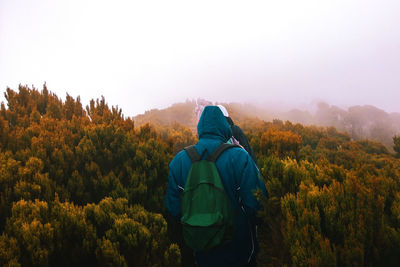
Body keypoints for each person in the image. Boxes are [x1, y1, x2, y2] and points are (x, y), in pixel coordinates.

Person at [165, 105, 267, 267]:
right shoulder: (240, 156)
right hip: (238, 249)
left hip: (199, 248)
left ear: (200, 128)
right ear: (225, 127)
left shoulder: (179, 161)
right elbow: (256, 203)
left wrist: (200, 224)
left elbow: (174, 208)